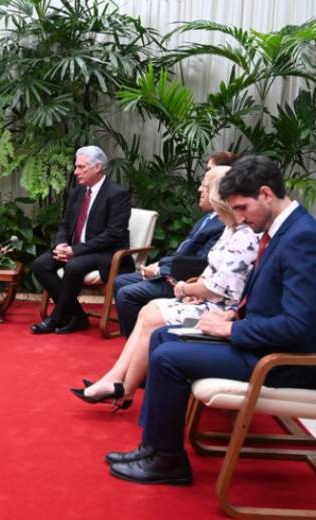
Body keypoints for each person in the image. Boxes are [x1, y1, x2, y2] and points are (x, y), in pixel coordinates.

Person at [106, 155, 316, 485]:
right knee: (162, 338)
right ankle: (153, 447)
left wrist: (232, 328)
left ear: (265, 193)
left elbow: (300, 326)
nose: (241, 218)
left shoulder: (302, 237)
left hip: (282, 361)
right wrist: (236, 312)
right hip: (261, 343)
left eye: (243, 208)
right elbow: (272, 296)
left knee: (168, 358)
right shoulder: (284, 230)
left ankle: (168, 462)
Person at [72, 165, 258, 409]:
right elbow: (210, 272)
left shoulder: (245, 235)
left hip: (220, 313)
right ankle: (116, 380)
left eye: (206, 186)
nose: (200, 189)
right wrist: (193, 288)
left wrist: (185, 289)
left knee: (151, 316)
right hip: (206, 301)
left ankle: (123, 387)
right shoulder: (229, 229)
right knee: (147, 310)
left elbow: (221, 287)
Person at [112, 152, 237, 337]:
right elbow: (186, 252)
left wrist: (161, 270)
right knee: (121, 282)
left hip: (187, 281)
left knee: (127, 295)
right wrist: (160, 264)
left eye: (208, 181)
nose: (201, 188)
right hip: (184, 276)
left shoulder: (226, 225)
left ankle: (136, 343)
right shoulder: (209, 219)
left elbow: (199, 263)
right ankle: (132, 343)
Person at [30, 145, 132, 334]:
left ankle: (56, 318)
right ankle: (77, 316)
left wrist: (75, 251)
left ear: (98, 167)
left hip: (106, 253)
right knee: (39, 264)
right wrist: (61, 244)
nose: (76, 172)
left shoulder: (117, 194)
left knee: (73, 266)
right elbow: (65, 224)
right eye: (76, 167)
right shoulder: (77, 192)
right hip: (75, 250)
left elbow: (113, 235)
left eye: (81, 167)